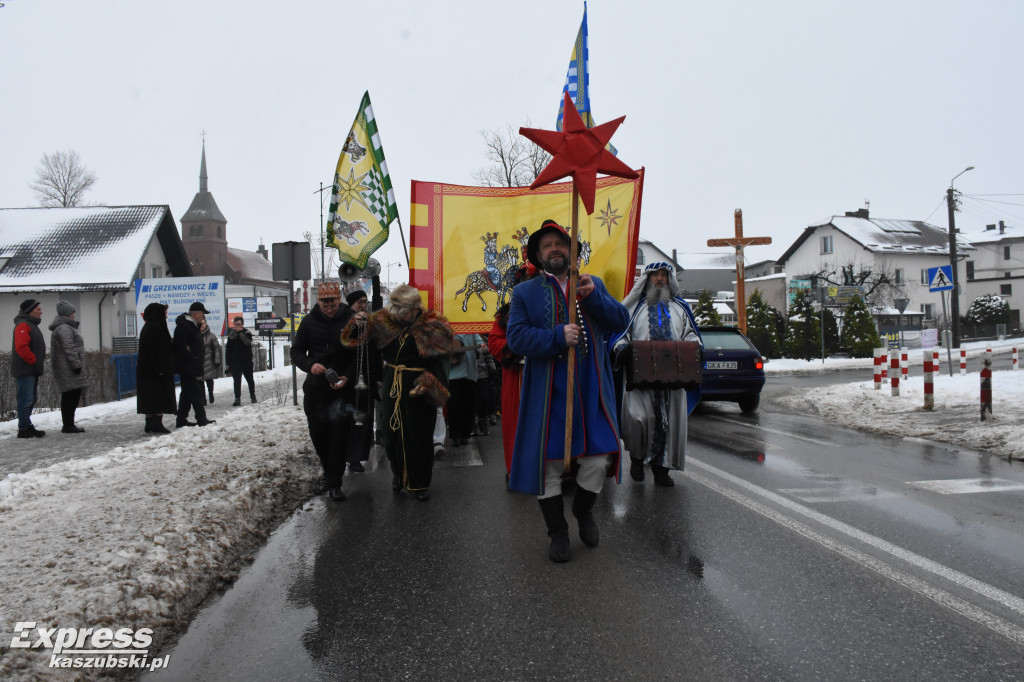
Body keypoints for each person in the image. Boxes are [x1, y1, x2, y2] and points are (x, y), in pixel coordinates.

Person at [507, 219, 629, 562]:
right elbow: (516, 338)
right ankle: (557, 531)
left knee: (599, 455)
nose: (554, 249)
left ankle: (584, 509)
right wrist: (557, 337)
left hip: (590, 388)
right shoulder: (524, 293)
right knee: (547, 463)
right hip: (547, 393)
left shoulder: (592, 283)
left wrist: (595, 300)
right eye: (546, 246)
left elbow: (620, 321)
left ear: (572, 250)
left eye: (560, 244)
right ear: (538, 255)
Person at [344, 284, 452, 501]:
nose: (401, 317)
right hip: (391, 383)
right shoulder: (385, 321)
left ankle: (420, 483)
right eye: (397, 312)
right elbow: (353, 341)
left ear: (415, 308)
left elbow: (443, 362)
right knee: (391, 434)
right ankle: (399, 475)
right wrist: (355, 325)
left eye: (405, 313)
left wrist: (430, 382)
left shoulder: (433, 325)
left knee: (418, 436)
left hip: (418, 387)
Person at [611, 262, 703, 487]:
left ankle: (662, 470)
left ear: (670, 280)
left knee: (669, 423)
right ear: (647, 279)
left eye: (663, 275)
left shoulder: (680, 308)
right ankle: (636, 458)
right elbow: (620, 335)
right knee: (638, 419)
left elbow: (691, 334)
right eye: (655, 275)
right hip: (639, 377)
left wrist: (695, 346)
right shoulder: (634, 308)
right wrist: (621, 348)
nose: (659, 279)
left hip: (674, 377)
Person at [291, 281, 357, 501]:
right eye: (324, 304)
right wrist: (310, 365)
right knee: (318, 434)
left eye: (333, 304)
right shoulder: (309, 322)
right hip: (316, 389)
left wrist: (347, 375)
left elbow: (358, 354)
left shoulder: (351, 320)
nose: (329, 308)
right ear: (318, 301)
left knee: (338, 436)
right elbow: (297, 351)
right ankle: (329, 473)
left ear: (339, 300)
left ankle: (334, 481)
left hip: (342, 389)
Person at [488, 264, 537, 479]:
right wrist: (516, 348)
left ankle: (552, 470)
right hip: (517, 376)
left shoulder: (553, 307)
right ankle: (517, 470)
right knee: (516, 425)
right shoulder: (506, 313)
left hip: (547, 372)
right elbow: (494, 342)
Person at [344, 289, 381, 473]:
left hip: (366, 378)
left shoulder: (368, 322)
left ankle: (357, 457)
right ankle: (351, 456)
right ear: (351, 304)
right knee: (353, 419)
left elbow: (375, 351)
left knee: (364, 418)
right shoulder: (347, 321)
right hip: (349, 379)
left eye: (365, 301)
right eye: (359, 301)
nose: (363, 304)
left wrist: (378, 377)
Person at [49, 300, 89, 433]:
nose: (74, 314)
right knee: (70, 396)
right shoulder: (64, 328)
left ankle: (69, 424)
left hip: (67, 368)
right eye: (72, 312)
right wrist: (76, 365)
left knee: (72, 395)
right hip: (68, 369)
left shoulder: (66, 327)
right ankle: (68, 425)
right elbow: (69, 348)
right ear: (67, 314)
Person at [173, 301, 215, 427]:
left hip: (192, 365)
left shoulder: (192, 326)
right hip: (188, 366)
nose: (204, 317)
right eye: (202, 314)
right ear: (196, 313)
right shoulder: (184, 326)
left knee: (187, 393)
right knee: (196, 392)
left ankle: (181, 420)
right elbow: (178, 346)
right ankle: (201, 419)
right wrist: (193, 358)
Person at [137, 302, 177, 434]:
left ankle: (149, 422)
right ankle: (156, 422)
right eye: (164, 313)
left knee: (149, 396)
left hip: (147, 370)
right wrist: (161, 367)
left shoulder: (148, 326)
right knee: (158, 395)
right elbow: (156, 349)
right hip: (156, 370)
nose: (166, 316)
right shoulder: (156, 327)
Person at [11, 298, 46, 438]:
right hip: (25, 369)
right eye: (38, 310)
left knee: (30, 399)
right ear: (29, 311)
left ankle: (26, 425)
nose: (41, 312)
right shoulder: (23, 325)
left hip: (31, 369)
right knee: (25, 399)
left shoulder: (30, 325)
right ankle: (24, 428)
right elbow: (21, 347)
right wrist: (33, 360)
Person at [447, 333, 480, 446]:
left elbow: (479, 342)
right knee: (454, 404)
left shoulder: (471, 329)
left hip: (469, 373)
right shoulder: (447, 327)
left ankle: (465, 434)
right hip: (453, 374)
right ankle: (455, 435)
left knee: (468, 404)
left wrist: (483, 347)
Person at [225, 316, 257, 406]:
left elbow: (247, 342)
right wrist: (228, 363)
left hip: (246, 361)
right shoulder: (231, 335)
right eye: (235, 324)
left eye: (239, 324)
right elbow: (228, 350)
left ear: (242, 324)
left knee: (250, 379)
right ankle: (237, 398)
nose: (237, 326)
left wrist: (240, 333)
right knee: (237, 380)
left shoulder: (247, 333)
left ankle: (253, 396)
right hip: (235, 361)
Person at [200, 320, 221, 405]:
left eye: (203, 323)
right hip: (200, 361)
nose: (202, 325)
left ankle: (211, 394)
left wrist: (217, 360)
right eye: (200, 323)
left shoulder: (211, 336)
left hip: (209, 361)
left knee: (209, 380)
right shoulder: (196, 335)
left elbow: (216, 349)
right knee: (200, 381)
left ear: (206, 324)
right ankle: (203, 399)